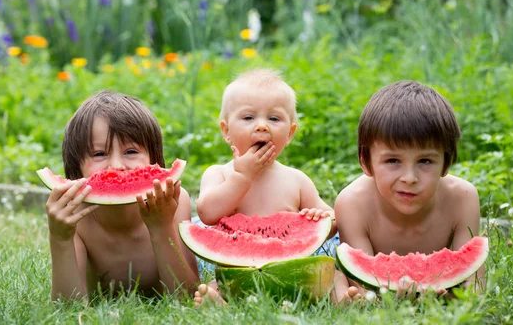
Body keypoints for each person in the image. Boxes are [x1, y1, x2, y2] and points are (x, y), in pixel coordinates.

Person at [193, 68, 337, 306]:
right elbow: (207, 214)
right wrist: (242, 177)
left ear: (290, 133)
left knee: (334, 280)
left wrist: (323, 218)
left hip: (293, 278)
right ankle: (217, 304)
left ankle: (344, 299)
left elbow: (329, 223)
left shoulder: (297, 180)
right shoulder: (218, 174)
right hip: (235, 277)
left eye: (274, 119)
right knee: (212, 289)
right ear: (226, 131)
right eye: (248, 118)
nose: (262, 126)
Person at [334, 80, 485, 303]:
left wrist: (449, 297)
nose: (409, 178)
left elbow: (474, 287)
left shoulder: (463, 199)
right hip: (335, 249)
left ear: (446, 163)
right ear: (366, 163)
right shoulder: (352, 203)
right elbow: (365, 288)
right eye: (393, 160)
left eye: (425, 161)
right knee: (336, 285)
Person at [45, 90, 199, 301]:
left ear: (154, 159)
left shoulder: (175, 202)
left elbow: (186, 299)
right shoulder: (76, 218)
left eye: (131, 152)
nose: (117, 165)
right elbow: (68, 307)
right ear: (76, 167)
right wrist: (60, 238)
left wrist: (162, 227)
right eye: (99, 154)